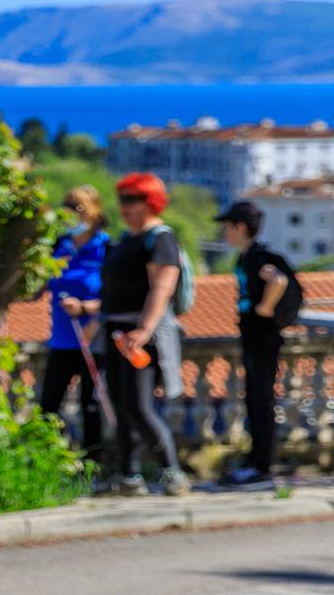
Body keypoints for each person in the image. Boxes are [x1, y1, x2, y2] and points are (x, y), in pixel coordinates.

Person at [82, 172, 190, 496]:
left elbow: (162, 286)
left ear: (150, 202)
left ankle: (171, 471)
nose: (124, 206)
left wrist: (144, 329)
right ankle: (129, 474)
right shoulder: (125, 240)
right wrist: (94, 314)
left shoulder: (160, 239)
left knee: (139, 405)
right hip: (114, 329)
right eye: (122, 199)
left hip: (141, 334)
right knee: (117, 402)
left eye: (132, 199)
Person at [216, 200, 302, 488]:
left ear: (240, 227)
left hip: (263, 339)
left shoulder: (257, 257)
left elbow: (277, 280)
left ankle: (261, 464)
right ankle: (256, 461)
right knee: (254, 398)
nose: (225, 233)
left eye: (227, 227)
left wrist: (265, 307)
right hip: (255, 338)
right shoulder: (247, 257)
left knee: (261, 400)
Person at [43, 186, 110, 457]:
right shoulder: (60, 245)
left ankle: (93, 462)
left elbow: (116, 296)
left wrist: (85, 307)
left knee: (90, 405)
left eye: (78, 207)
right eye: (68, 206)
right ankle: (48, 458)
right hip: (61, 337)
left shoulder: (106, 247)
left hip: (93, 338)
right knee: (49, 404)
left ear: (94, 211)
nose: (72, 213)